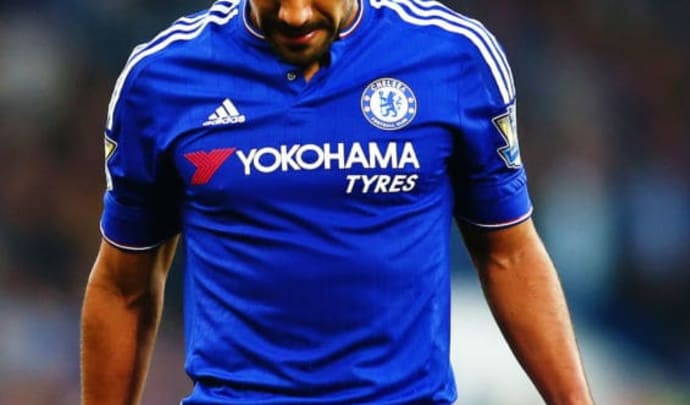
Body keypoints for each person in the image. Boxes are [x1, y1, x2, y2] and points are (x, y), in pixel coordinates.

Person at [80, 0, 594, 404]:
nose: (296, 14)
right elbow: (124, 286)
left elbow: (508, 253)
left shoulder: (454, 57)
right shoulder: (162, 79)